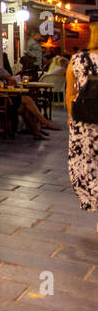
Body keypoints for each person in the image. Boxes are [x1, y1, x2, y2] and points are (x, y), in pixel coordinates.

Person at [65, 30, 98, 218]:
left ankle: (94, 202)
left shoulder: (78, 59)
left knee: (88, 165)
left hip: (86, 123)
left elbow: (70, 93)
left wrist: (72, 117)